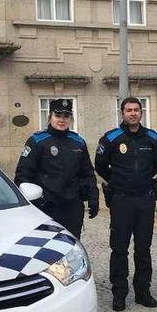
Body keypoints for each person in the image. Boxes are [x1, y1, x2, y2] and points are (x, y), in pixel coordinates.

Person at [95, 97, 157, 311]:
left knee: (143, 248)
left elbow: (156, 164)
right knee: (119, 249)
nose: (132, 113)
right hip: (121, 200)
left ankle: (143, 291)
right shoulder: (111, 138)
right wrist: (119, 181)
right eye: (128, 110)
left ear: (141, 113)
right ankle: (119, 293)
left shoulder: (152, 137)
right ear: (122, 113)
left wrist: (140, 180)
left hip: (144, 199)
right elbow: (100, 166)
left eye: (136, 110)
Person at [14, 98, 98, 239]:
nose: (62, 120)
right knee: (45, 246)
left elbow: (87, 173)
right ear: (50, 117)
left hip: (72, 205)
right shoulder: (37, 141)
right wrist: (30, 202)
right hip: (46, 205)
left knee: (71, 245)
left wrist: (93, 197)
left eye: (66, 116)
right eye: (58, 115)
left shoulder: (78, 142)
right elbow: (23, 175)